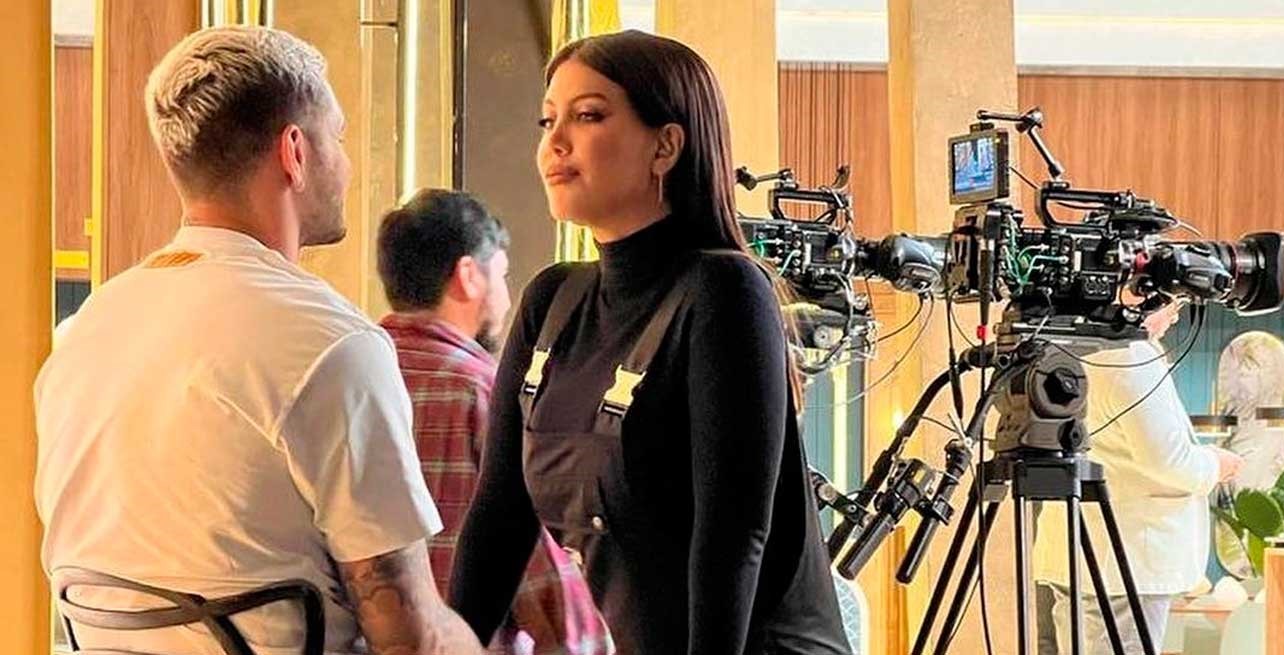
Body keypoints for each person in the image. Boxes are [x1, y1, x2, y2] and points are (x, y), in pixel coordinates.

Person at [34, 26, 480, 655]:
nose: (347, 164)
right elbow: (410, 635)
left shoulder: (84, 333)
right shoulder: (331, 344)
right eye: (339, 137)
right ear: (294, 151)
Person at [447, 30, 851, 655]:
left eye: (588, 116)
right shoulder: (551, 301)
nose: (555, 142)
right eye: (548, 120)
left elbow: (731, 538)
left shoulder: (723, 290)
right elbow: (500, 519)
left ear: (665, 145)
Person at [376, 189, 610, 654]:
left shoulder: (355, 377)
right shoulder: (484, 394)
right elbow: (550, 598)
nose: (506, 299)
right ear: (468, 276)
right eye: (501, 275)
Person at [1032, 296, 1245, 655]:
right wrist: (1215, 464)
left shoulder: (1068, 342)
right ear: (1141, 295)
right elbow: (1167, 459)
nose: (1174, 319)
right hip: (1127, 559)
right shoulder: (1130, 356)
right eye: (1173, 306)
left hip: (1078, 548)